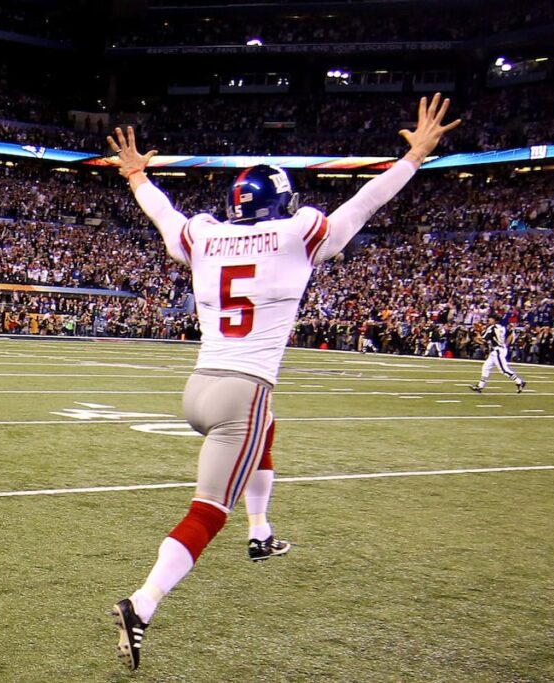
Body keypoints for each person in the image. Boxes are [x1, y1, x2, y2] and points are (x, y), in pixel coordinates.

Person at [104, 94, 460, 671]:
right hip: (242, 390)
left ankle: (261, 531)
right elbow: (364, 204)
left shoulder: (204, 234)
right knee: (206, 512)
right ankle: (142, 604)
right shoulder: (299, 231)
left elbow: (163, 214)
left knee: (267, 428)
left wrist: (137, 176)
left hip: (200, 386)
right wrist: (414, 157)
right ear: (283, 202)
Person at [469, 313, 526, 393]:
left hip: (497, 351)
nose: (488, 320)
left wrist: (477, 334)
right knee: (486, 367)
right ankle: (480, 386)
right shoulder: (502, 327)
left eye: (490, 318)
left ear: (494, 320)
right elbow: (510, 334)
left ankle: (519, 381)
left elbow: (483, 339)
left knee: (503, 370)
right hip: (498, 349)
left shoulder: (492, 328)